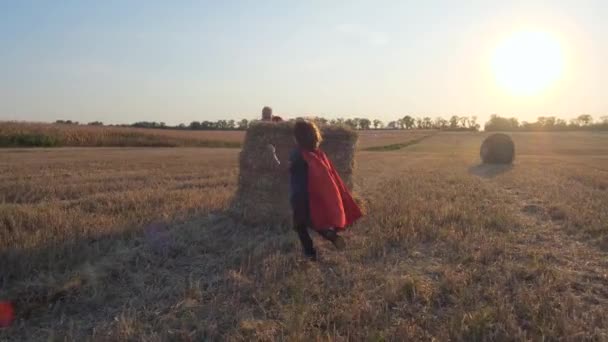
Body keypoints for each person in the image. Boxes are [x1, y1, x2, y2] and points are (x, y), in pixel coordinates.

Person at [289, 120, 362, 260]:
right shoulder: (317, 154)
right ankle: (330, 235)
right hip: (313, 196)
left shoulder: (297, 154)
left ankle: (310, 253)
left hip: (299, 196)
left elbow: (289, 171)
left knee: (299, 225)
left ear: (298, 137)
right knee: (313, 220)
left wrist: (276, 159)